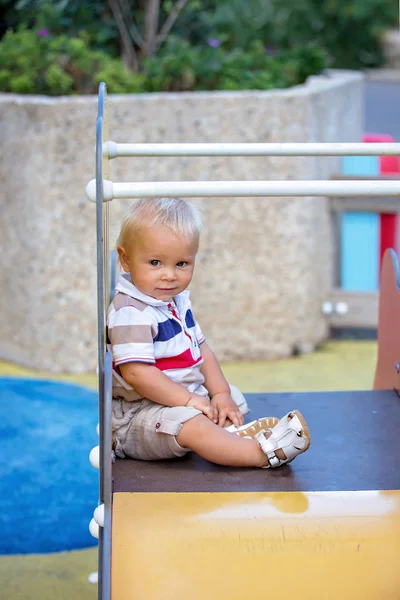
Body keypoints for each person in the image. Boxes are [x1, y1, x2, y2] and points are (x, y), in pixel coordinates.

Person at [107, 197, 311, 469]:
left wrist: (220, 394)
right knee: (193, 425)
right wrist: (190, 401)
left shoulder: (175, 302)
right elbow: (137, 374)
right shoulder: (131, 311)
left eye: (181, 264)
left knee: (232, 399)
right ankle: (257, 454)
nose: (169, 275)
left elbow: (202, 350)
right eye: (155, 262)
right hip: (138, 416)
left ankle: (229, 436)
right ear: (126, 259)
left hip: (177, 401)